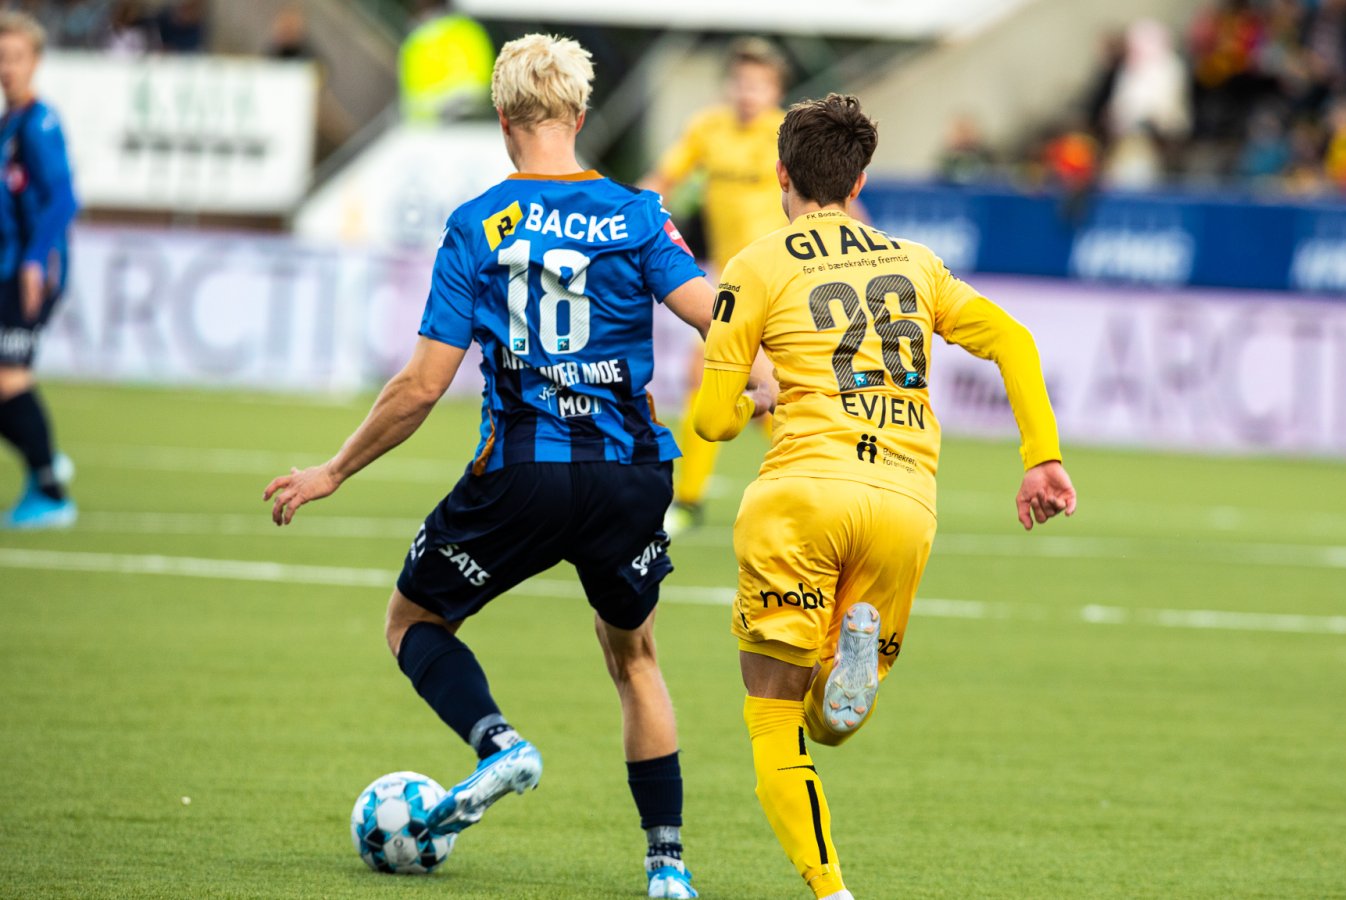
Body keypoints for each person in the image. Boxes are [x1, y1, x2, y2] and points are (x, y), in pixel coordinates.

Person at [263, 33, 711, 900]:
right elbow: (706, 313)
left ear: (504, 119)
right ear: (579, 118)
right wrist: (763, 372)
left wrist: (333, 470)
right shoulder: (638, 214)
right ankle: (669, 870)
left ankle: (501, 745)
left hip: (522, 475)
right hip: (629, 476)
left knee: (412, 622)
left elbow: (422, 386)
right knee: (636, 658)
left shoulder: (477, 225)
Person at [692, 94, 1077, 899]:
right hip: (906, 501)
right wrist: (1041, 458)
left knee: (769, 713)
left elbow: (710, 422)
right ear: (860, 178)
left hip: (800, 492)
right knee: (827, 723)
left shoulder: (757, 264)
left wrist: (758, 396)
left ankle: (831, 891)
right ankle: (845, 688)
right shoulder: (915, 262)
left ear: (780, 173)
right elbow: (1013, 338)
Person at [640, 37, 791, 535]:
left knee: (769, 387)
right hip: (730, 278)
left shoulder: (787, 133)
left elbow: (839, 200)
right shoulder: (708, 129)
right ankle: (690, 499)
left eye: (759, 84)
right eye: (741, 82)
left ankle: (799, 486)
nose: (748, 92)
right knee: (714, 380)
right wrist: (626, 210)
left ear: (775, 89)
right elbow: (663, 177)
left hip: (783, 276)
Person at [0, 10, 78, 530]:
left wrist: (33, 262)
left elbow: (63, 199)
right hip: (10, 266)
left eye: (17, 57)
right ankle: (44, 468)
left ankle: (49, 484)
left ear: (37, 61)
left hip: (32, 272)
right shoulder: (11, 123)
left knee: (9, 381)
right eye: (1, 57)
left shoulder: (39, 123)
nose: (8, 67)